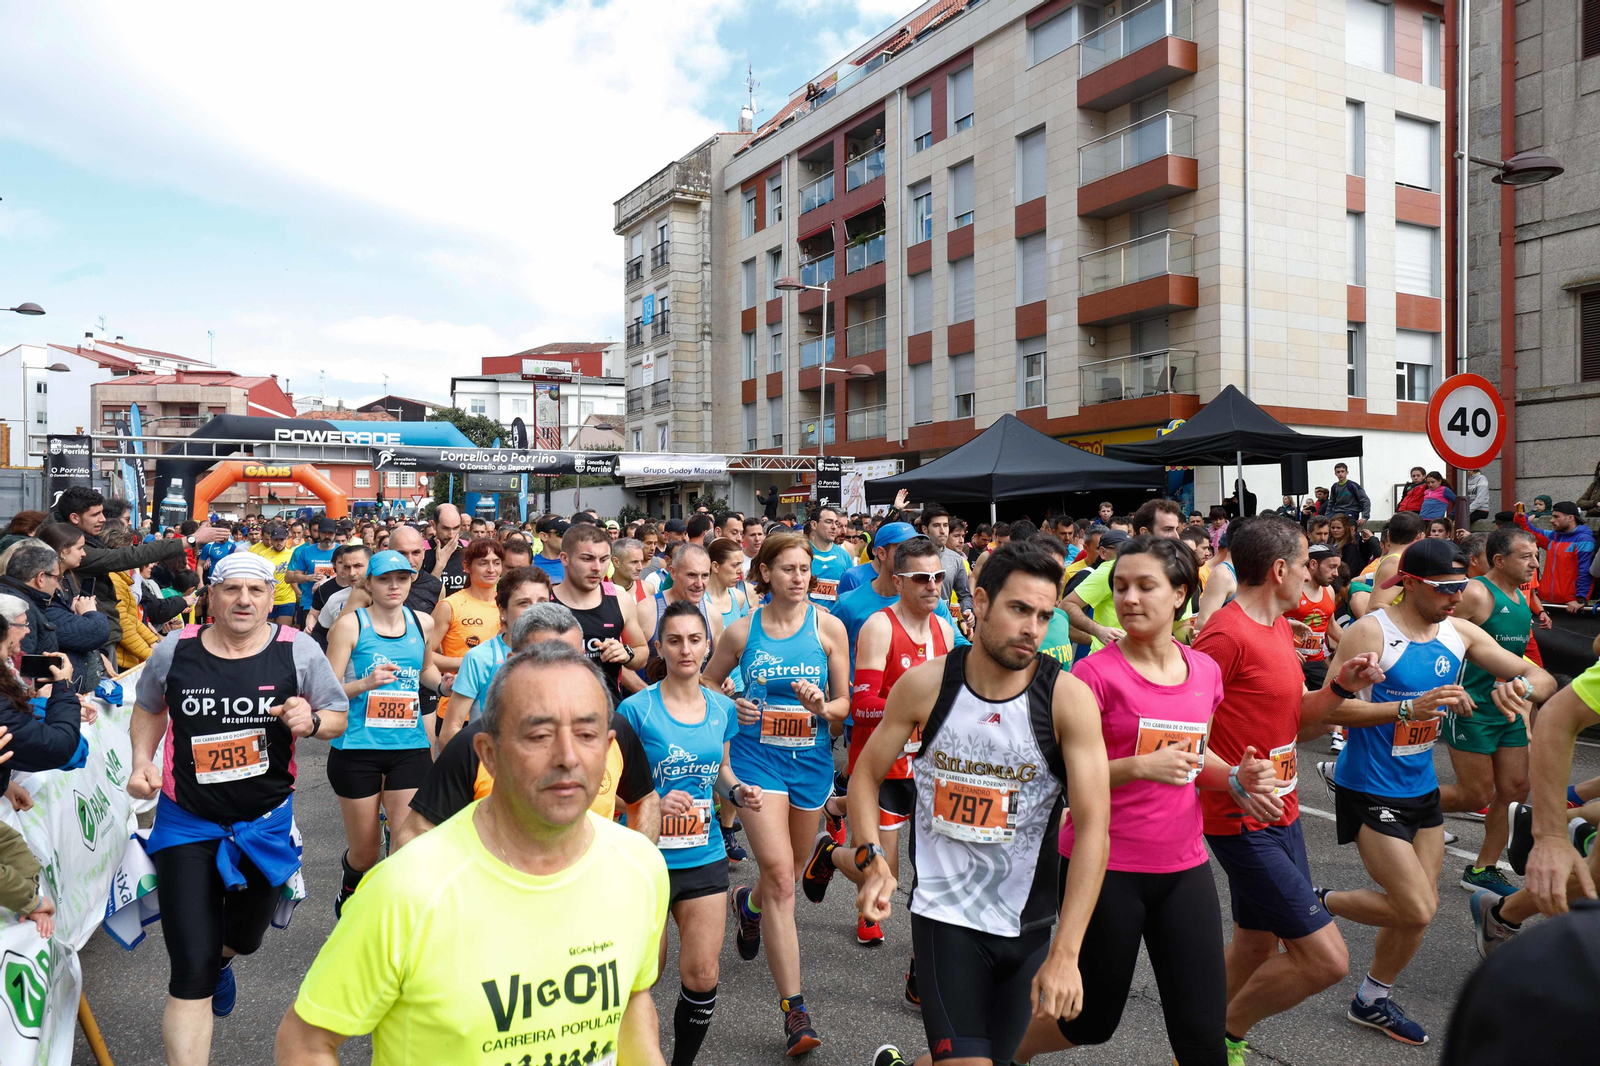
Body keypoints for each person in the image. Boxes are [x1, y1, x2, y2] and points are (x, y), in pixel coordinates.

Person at [276, 641, 670, 1066]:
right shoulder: (406, 890)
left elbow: (633, 1001)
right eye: (538, 735)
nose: (568, 757)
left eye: (587, 734)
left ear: (610, 748)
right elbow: (306, 1043)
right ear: (488, 755)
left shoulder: (640, 866)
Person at [1013, 535, 1278, 1066]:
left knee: (1203, 1035)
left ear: (1181, 592)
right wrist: (1137, 767)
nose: (1129, 598)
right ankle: (986, 1056)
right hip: (1106, 868)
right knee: (1088, 1022)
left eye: (1145, 586)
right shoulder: (1091, 677)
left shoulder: (1203, 671)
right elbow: (1057, 777)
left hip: (1184, 867)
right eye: (1120, 587)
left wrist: (1236, 780)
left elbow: (1192, 757)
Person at [853, 542, 1111, 1066]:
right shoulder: (927, 686)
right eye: (1019, 609)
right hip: (945, 916)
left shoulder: (1067, 700)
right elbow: (864, 776)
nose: (1033, 629)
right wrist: (870, 857)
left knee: (995, 1058)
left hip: (1029, 924)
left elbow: (1094, 829)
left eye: (1044, 615)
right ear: (982, 603)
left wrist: (1067, 949)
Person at [1311, 537, 1554, 1045]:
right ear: (1411, 583)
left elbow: (1541, 677)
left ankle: (1372, 998)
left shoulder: (1459, 633)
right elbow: (1324, 712)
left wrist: (1521, 689)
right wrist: (1406, 709)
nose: (1456, 596)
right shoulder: (1370, 633)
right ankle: (1310, 902)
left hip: (1421, 789)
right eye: (1445, 588)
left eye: (1462, 585)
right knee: (1418, 905)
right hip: (1368, 785)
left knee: (1416, 914)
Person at [127, 552, 349, 1063]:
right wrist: (142, 759)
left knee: (244, 938)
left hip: (264, 826)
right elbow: (148, 707)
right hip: (186, 824)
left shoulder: (299, 651)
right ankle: (205, 973)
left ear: (273, 598)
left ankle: (223, 961)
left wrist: (311, 722)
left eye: (255, 591)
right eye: (231, 590)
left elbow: (336, 715)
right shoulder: (175, 649)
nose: (243, 600)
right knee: (189, 972)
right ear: (212, 595)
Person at [1191, 516, 1389, 1064]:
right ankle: (1221, 1032)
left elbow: (1295, 723)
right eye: (1304, 563)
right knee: (1327, 960)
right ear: (1279, 569)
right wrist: (1233, 779)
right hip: (1241, 818)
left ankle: (1195, 1036)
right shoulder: (1224, 636)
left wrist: (1343, 685)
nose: (1311, 574)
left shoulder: (1279, 625)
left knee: (1257, 945)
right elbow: (1186, 735)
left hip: (1284, 810)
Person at [701, 531, 852, 1054]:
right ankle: (796, 1012)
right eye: (786, 568)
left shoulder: (828, 629)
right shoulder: (742, 632)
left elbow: (842, 708)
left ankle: (748, 905)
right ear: (764, 573)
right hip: (755, 759)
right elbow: (704, 685)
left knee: (782, 870)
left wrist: (820, 708)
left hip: (810, 764)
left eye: (804, 569)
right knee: (784, 879)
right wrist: (733, 701)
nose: (798, 577)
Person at [395, 602, 660, 847]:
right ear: (512, 662)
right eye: (543, 660)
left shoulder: (614, 728)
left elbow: (645, 799)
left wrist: (638, 863)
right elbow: (413, 836)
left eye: (571, 659)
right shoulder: (478, 743)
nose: (559, 672)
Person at [619, 601, 758, 1066]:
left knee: (701, 973)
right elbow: (610, 788)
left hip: (703, 853)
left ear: (706, 646)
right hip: (646, 858)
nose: (684, 649)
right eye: (674, 640)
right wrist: (653, 801)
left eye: (694, 640)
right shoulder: (635, 710)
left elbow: (720, 769)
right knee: (644, 974)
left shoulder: (721, 708)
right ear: (659, 645)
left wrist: (738, 791)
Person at [802, 535, 954, 952]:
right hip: (882, 763)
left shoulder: (944, 627)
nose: (933, 587)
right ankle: (831, 855)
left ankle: (924, 965)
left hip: (929, 765)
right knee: (882, 870)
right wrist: (911, 713)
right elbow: (862, 704)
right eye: (922, 578)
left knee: (932, 870)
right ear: (898, 580)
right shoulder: (879, 626)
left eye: (938, 577)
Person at [322, 550, 440, 917]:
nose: (394, 586)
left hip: (409, 744)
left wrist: (447, 685)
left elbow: (427, 671)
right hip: (357, 748)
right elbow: (326, 690)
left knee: (406, 845)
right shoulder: (350, 626)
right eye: (385, 579)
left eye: (402, 579)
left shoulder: (423, 622)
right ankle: (350, 888)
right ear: (368, 583)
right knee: (366, 852)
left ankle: (391, 916)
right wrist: (365, 683)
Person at [1431, 527, 1541, 897]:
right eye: (1526, 556)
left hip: (1505, 711)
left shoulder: (1521, 597)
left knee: (1515, 788)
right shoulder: (1477, 593)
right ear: (1499, 560)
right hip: (1470, 708)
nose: (1534, 563)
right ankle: (1398, 803)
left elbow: (1516, 661)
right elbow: (1433, 634)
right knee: (1474, 795)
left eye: (1536, 555)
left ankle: (1483, 869)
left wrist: (1523, 698)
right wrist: (1444, 687)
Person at [439, 566, 552, 744]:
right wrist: (483, 764)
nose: (535, 611)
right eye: (524, 603)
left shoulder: (563, 653)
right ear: (502, 611)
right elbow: (449, 731)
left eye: (542, 602)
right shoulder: (480, 657)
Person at [1064, 499, 1185, 652]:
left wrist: (1186, 636)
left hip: (1154, 666)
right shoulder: (1114, 568)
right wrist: (1098, 631)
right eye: (1167, 529)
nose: (1176, 536)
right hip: (1109, 666)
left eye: (1176, 529)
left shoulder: (1175, 570)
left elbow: (1180, 626)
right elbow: (1067, 605)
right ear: (1144, 532)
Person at [552, 523, 650, 707]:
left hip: (608, 711)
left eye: (603, 559)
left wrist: (626, 653)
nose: (597, 567)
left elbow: (641, 652)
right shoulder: (545, 602)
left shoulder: (620, 598)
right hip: (558, 712)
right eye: (587, 559)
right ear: (564, 559)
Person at [0, 595, 87, 777]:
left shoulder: (10, 668)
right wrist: (63, 688)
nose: (28, 631)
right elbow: (61, 746)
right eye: (23, 624)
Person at [428, 537, 504, 723]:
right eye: (483, 563)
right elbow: (424, 656)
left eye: (496, 563)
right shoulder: (450, 606)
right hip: (459, 711)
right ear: (467, 567)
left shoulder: (508, 605)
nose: (491, 570)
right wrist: (468, 663)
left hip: (501, 708)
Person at [35, 522, 111, 682]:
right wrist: (90, 613)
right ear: (63, 551)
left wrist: (71, 614)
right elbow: (94, 632)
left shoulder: (69, 580)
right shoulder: (46, 595)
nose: (84, 553)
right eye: (79, 548)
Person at [1515, 500, 1594, 611]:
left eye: (1556, 517)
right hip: (1547, 601)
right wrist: (1520, 516)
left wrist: (1580, 599)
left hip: (1570, 605)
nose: (1552, 520)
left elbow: (1586, 572)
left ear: (1570, 518)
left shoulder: (1584, 540)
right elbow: (1529, 531)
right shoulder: (1554, 536)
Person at [1289, 542, 1344, 693]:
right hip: (1291, 660)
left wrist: (1354, 643)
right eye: (1331, 567)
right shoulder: (1293, 590)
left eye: (1337, 568)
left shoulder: (1329, 590)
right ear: (1313, 564)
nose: (1336, 573)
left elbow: (1331, 625)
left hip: (1316, 661)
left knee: (1323, 707)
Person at [921, 503, 975, 629]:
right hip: (917, 625)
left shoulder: (956, 559)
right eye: (936, 525)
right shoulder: (913, 557)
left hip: (945, 626)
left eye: (945, 525)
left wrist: (967, 610)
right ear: (925, 529)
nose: (942, 530)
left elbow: (965, 594)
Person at [306, 544, 369, 649]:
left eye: (358, 566)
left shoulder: (391, 598)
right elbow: (320, 634)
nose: (352, 573)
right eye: (347, 567)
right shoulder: (334, 599)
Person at [284, 517, 339, 629]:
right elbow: (296, 576)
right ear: (319, 533)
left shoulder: (342, 551)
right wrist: (309, 577)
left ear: (335, 533)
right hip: (310, 603)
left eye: (330, 533)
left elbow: (348, 575)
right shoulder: (306, 551)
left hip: (335, 602)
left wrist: (327, 579)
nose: (327, 536)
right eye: (324, 533)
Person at [248, 524, 298, 624]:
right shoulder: (263, 555)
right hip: (268, 599)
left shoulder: (293, 554)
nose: (279, 543)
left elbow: (295, 576)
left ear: (287, 539)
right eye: (276, 540)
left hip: (287, 599)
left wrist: (298, 592)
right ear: (271, 539)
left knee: (284, 632)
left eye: (281, 540)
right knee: (269, 632)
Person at [806, 505, 853, 610]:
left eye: (836, 523)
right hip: (809, 618)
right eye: (828, 522)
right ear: (814, 525)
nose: (834, 527)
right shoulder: (802, 553)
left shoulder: (844, 555)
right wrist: (814, 607)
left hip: (838, 619)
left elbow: (850, 592)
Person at [421, 503, 470, 596]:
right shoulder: (421, 550)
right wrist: (440, 565)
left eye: (456, 528)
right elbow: (423, 595)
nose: (451, 535)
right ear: (434, 525)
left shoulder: (469, 548)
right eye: (445, 528)